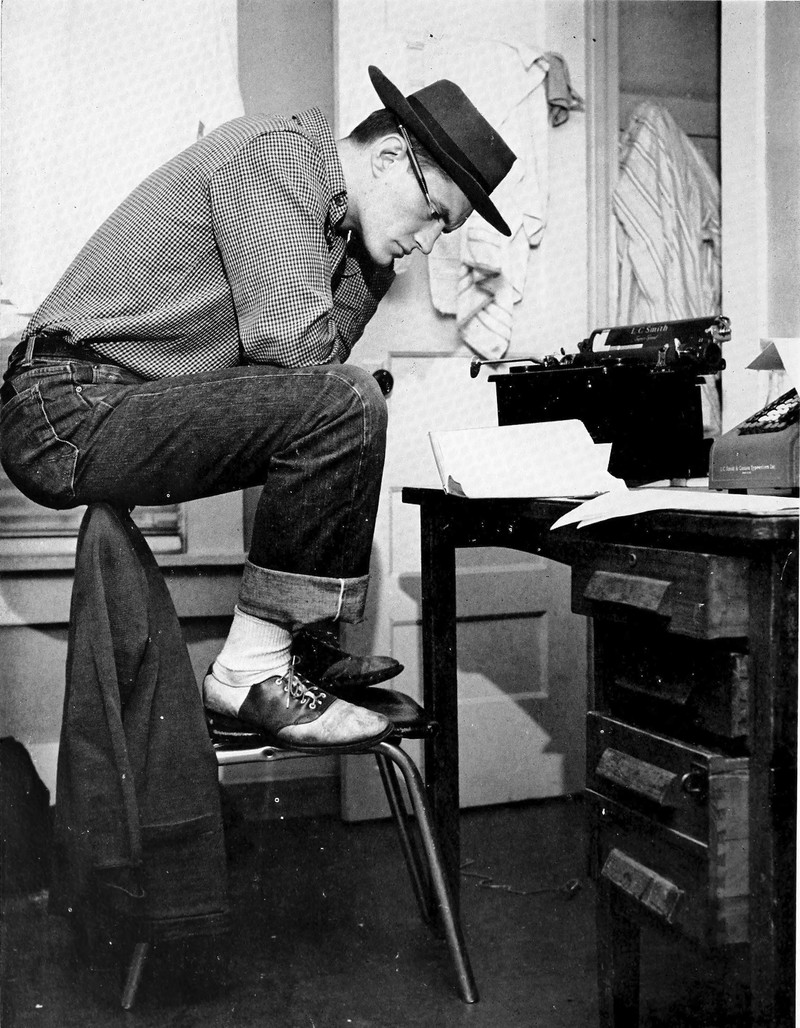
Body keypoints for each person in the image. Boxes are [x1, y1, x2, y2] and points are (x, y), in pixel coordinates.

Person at [0, 66, 515, 752]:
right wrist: (367, 273)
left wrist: (369, 261)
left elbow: (307, 379)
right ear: (389, 155)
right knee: (349, 403)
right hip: (63, 410)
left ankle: (296, 650)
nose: (426, 243)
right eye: (435, 216)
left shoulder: (331, 221)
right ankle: (249, 672)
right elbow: (298, 359)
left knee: (346, 405)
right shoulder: (277, 157)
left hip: (114, 399)